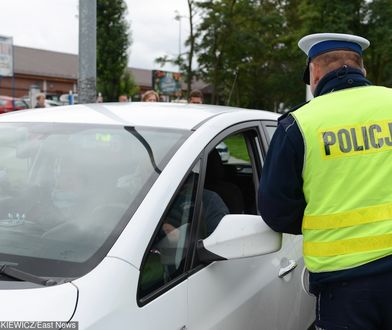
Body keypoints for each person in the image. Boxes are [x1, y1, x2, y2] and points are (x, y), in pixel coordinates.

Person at [258, 33, 392, 329]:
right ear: (362, 69)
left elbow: (276, 210)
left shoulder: (299, 124)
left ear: (314, 73)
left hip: (346, 288)